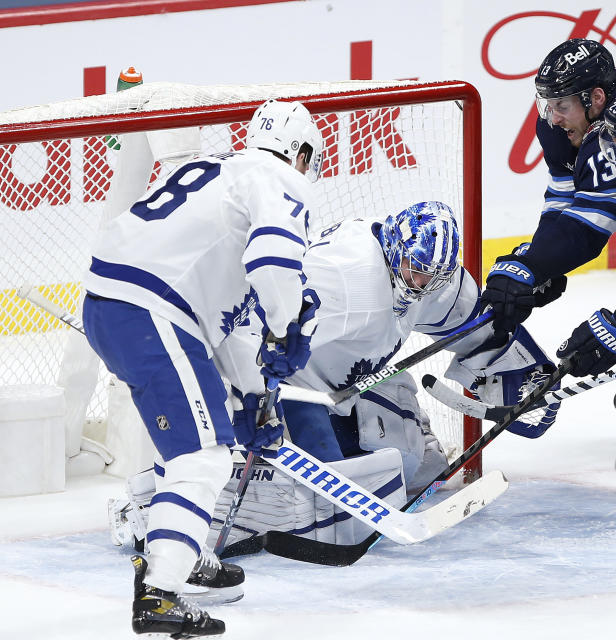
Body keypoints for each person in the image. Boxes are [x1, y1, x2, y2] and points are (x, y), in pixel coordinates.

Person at [114, 201, 560, 555]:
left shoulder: (436, 282)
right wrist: (246, 403)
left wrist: (529, 380)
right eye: (414, 271)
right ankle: (155, 501)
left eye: (431, 277)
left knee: (411, 469)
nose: (420, 285)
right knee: (330, 511)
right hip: (293, 385)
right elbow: (245, 327)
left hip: (351, 379)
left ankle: (379, 436)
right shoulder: (343, 281)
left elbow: (480, 333)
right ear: (393, 246)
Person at [82, 98, 323, 637]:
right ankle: (161, 593)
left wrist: (256, 394)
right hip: (151, 310)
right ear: (301, 152)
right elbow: (276, 264)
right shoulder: (278, 177)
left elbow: (231, 324)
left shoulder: (220, 171)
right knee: (205, 455)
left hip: (120, 305)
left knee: (204, 440)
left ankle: (178, 553)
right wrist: (288, 329)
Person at [482, 38, 616, 378]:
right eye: (549, 104)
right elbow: (562, 198)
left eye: (562, 106)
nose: (553, 118)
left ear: (596, 99)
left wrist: (531, 264)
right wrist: (541, 263)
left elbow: (587, 228)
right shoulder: (562, 127)